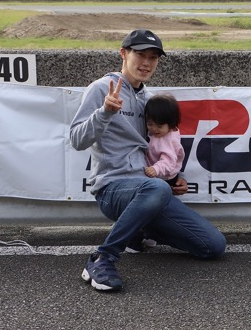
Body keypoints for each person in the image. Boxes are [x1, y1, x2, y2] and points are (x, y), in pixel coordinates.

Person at [70, 29, 226, 291]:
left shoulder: (150, 100)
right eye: (141, 55)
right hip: (112, 189)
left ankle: (137, 231)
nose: (147, 63)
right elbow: (77, 140)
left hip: (150, 189)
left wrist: (175, 178)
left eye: (153, 58)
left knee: (213, 246)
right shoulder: (102, 88)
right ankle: (102, 258)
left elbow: (160, 148)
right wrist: (105, 112)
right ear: (123, 54)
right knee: (157, 188)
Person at [144, 93, 185, 187]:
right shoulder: (156, 133)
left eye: (159, 126)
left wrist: (156, 169)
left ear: (171, 123)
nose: (154, 129)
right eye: (150, 124)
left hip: (166, 177)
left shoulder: (169, 139)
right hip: (154, 172)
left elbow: (169, 161)